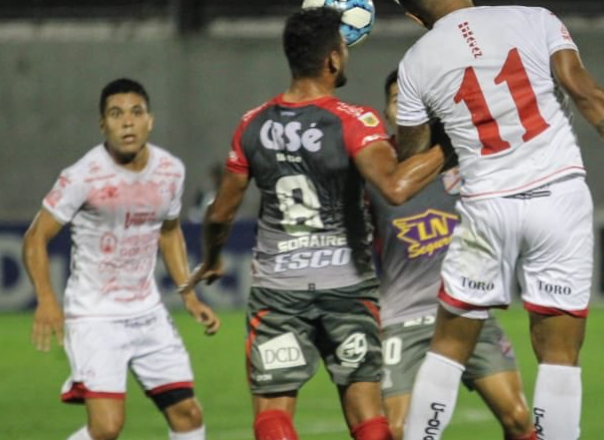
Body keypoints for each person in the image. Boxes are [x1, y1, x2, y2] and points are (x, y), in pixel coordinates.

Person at [390, 2, 604, 439]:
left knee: (449, 349)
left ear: (413, 15)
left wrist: (456, 132)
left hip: (487, 205)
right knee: (559, 357)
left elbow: (412, 156)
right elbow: (585, 91)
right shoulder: (534, 18)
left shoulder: (415, 62)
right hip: (558, 198)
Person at [179, 7, 446, 440]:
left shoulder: (253, 124)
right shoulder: (355, 121)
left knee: (273, 411)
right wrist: (447, 149)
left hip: (279, 291)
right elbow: (396, 188)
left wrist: (211, 258)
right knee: (367, 415)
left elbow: (221, 213)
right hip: (347, 286)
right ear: (333, 60)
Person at [22, 78, 220, 440]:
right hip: (95, 315)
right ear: (103, 125)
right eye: (116, 114)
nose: (127, 122)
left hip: (147, 313)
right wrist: (46, 299)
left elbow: (169, 231)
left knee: (188, 414)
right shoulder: (83, 176)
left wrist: (188, 295)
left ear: (150, 120)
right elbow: (35, 238)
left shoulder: (170, 171)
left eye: (136, 112)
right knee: (107, 428)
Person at [370, 70, 533, 440]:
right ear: (387, 112)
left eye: (416, 102)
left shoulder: (467, 159)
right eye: (398, 100)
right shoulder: (376, 169)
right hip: (403, 319)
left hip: (465, 310)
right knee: (397, 431)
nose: (408, 108)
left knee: (519, 419)